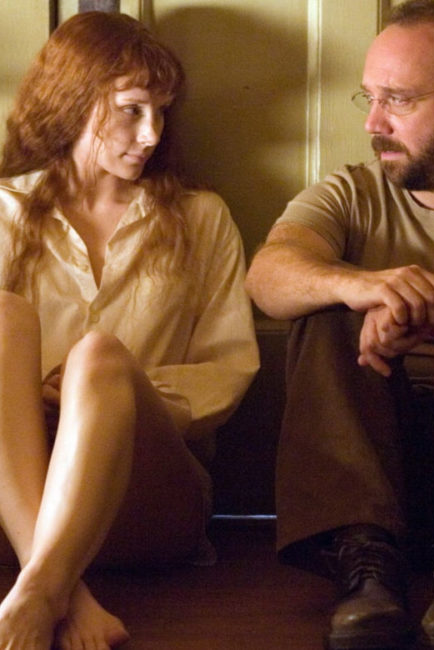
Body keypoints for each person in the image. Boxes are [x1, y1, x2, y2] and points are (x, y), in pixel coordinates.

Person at [0, 10, 259, 650]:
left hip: (150, 498)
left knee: (97, 358)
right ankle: (57, 589)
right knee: (2, 316)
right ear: (71, 101)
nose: (151, 134)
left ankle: (40, 588)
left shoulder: (200, 218)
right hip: (14, 497)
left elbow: (228, 366)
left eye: (161, 113)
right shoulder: (4, 210)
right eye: (132, 110)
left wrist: (105, 396)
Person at [246, 0, 434, 648]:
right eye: (369, 98)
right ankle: (367, 568)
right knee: (324, 307)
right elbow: (267, 275)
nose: (374, 123)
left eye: (398, 100)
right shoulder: (350, 192)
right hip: (372, 464)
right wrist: (367, 288)